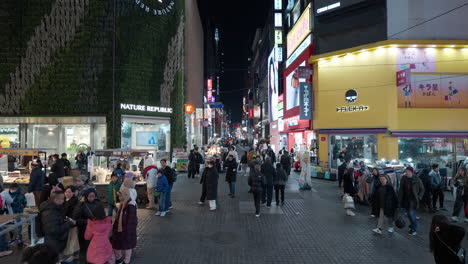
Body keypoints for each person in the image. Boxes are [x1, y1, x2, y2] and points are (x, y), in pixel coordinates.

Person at [40, 190, 75, 255]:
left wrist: (64, 221)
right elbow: (54, 230)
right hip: (54, 243)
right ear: (56, 200)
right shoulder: (51, 212)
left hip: (53, 241)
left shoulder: (53, 208)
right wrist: (69, 223)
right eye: (62, 199)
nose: (63, 201)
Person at [111, 187, 137, 264]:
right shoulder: (122, 203)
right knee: (116, 243)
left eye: (120, 196)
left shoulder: (131, 204)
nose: (119, 198)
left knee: (127, 245)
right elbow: (118, 217)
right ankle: (118, 258)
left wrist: (129, 230)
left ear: (125, 195)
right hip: (119, 228)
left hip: (127, 229)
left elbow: (132, 219)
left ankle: (126, 261)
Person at [74, 189, 101, 259]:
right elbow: (76, 217)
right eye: (90, 196)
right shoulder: (81, 204)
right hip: (84, 229)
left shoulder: (98, 203)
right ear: (86, 196)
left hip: (95, 229)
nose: (92, 198)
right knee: (85, 247)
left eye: (93, 196)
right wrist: (87, 221)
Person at [398, 166, 425, 236]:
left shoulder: (417, 179)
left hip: (413, 200)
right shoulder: (403, 178)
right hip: (405, 200)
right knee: (409, 215)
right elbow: (401, 189)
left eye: (408, 172)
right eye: (406, 171)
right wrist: (399, 199)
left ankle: (414, 229)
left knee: (411, 214)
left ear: (411, 172)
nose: (407, 173)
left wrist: (419, 197)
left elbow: (422, 189)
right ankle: (412, 225)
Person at [62, 186, 80, 263]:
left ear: (73, 192)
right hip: (65, 222)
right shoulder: (64, 200)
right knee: (70, 240)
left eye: (69, 192)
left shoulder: (75, 201)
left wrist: (69, 218)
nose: (67, 193)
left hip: (72, 222)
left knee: (72, 239)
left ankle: (71, 255)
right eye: (66, 192)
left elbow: (75, 213)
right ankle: (73, 254)